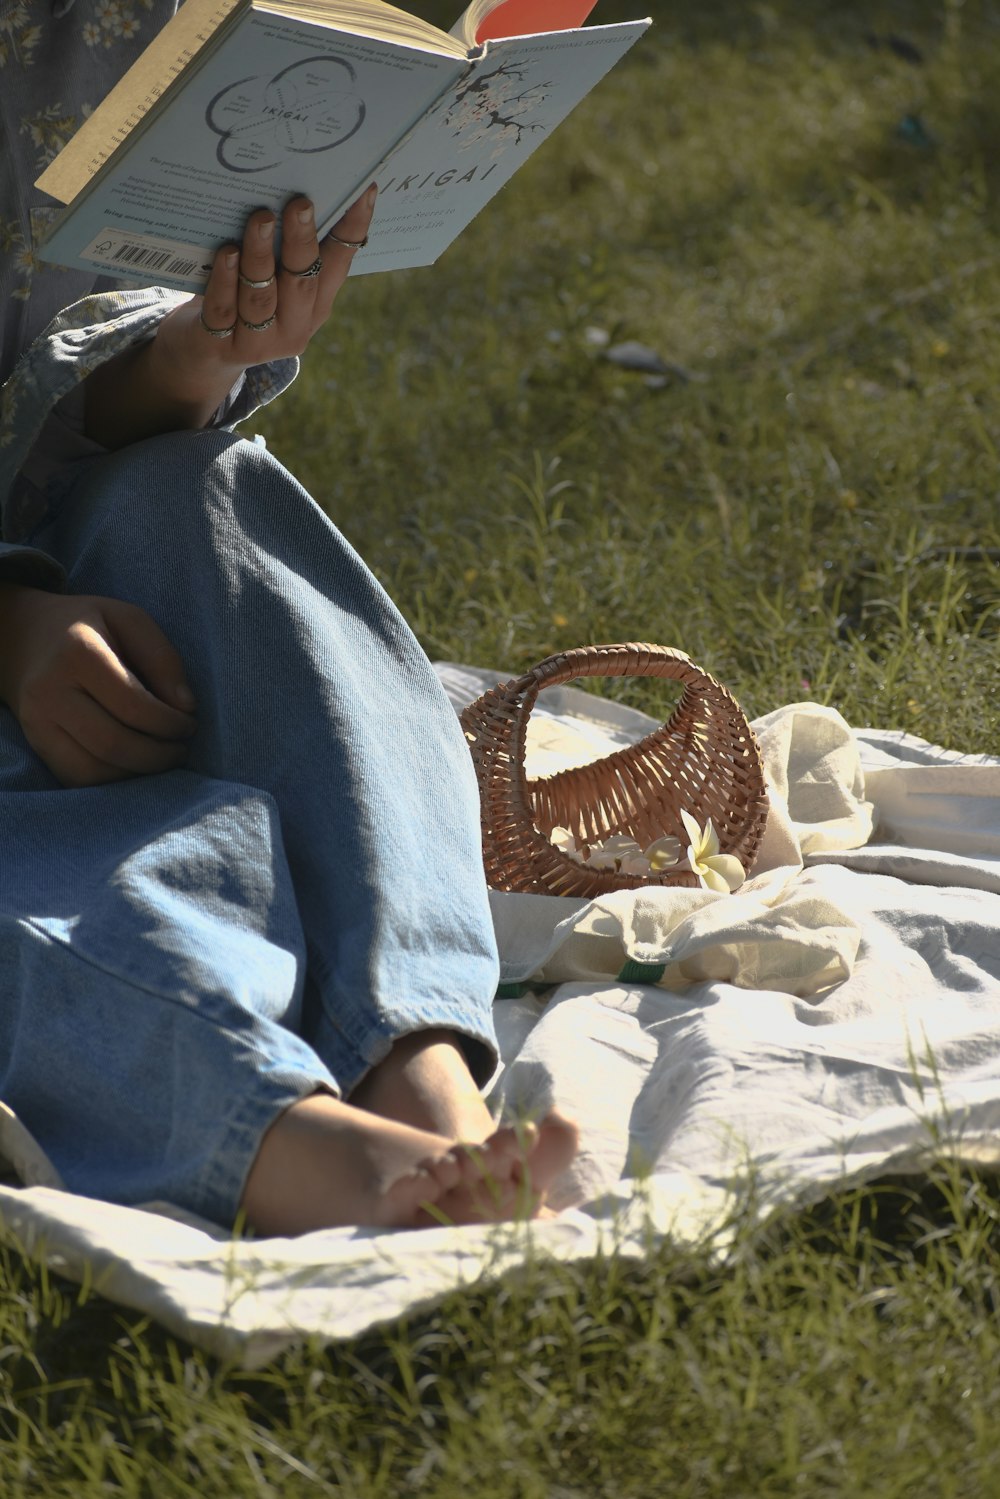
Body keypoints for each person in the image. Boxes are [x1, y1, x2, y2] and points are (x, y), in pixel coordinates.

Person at [0, 0, 577, 1234]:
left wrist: (198, 354)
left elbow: (75, 417)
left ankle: (414, 1068)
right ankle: (301, 1147)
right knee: (64, 881)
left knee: (208, 498)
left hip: (63, 579)